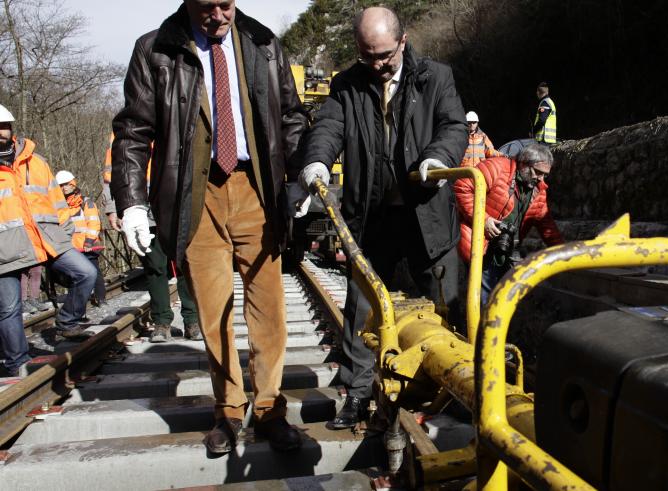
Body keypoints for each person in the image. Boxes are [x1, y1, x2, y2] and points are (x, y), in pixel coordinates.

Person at [112, 0, 308, 454]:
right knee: (213, 312)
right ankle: (230, 410)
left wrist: (300, 177)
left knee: (269, 311)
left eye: (227, 3)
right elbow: (133, 131)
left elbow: (293, 117)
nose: (219, 14)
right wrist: (132, 202)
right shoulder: (155, 50)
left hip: (257, 190)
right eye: (208, 5)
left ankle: (269, 409)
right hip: (194, 195)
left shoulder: (262, 42)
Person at [298, 6, 467, 429]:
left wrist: (437, 158)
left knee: (452, 303)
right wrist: (317, 162)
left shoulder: (435, 77)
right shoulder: (347, 85)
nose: (375, 64)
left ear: (403, 41)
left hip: (426, 213)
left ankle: (459, 392)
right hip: (373, 217)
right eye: (366, 56)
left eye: (384, 56)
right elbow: (329, 128)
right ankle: (356, 394)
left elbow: (453, 127)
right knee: (360, 307)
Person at [0, 103, 98, 376]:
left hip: (47, 240)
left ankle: (67, 321)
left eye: (4, 126)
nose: (0, 132)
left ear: (12, 129)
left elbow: (57, 201)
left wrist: (65, 234)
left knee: (86, 273)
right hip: (5, 250)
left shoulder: (37, 162)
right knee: (9, 309)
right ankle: (17, 363)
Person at [102, 136, 201, 343]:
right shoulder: (123, 132)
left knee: (185, 265)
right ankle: (162, 323)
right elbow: (113, 175)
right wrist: (112, 209)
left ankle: (192, 321)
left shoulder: (178, 112)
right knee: (155, 267)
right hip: (143, 211)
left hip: (179, 207)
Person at [453, 144, 564, 305]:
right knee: (485, 298)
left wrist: (564, 252)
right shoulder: (496, 167)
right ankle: (480, 329)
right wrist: (484, 220)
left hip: (507, 249)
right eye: (538, 173)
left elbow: (546, 225)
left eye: (545, 175)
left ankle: (495, 327)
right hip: (480, 245)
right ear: (524, 163)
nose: (541, 179)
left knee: (504, 299)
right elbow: (462, 187)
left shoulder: (538, 189)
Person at [55, 170, 106, 307]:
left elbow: (93, 222)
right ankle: (78, 302)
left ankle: (101, 299)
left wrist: (89, 240)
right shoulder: (59, 206)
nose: (64, 188)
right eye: (60, 185)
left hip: (87, 246)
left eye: (66, 184)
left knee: (95, 272)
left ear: (73, 184)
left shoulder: (86, 203)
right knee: (73, 276)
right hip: (70, 248)